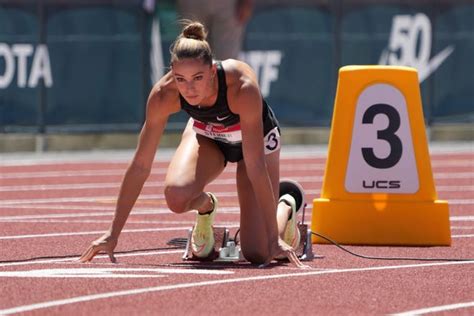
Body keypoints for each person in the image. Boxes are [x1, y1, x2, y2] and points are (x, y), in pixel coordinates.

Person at [79, 20, 307, 268]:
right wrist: (113, 234)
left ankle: (286, 202)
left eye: (197, 78)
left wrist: (274, 239)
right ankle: (207, 208)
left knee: (258, 252)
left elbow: (254, 165)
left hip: (253, 143)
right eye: (180, 79)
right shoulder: (163, 94)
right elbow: (140, 165)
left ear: (212, 70)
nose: (189, 88)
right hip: (209, 136)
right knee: (176, 197)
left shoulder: (241, 88)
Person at [176, 0, 254, 60]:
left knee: (227, 61)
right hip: (193, 4)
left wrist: (247, 2)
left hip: (228, 5)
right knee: (192, 56)